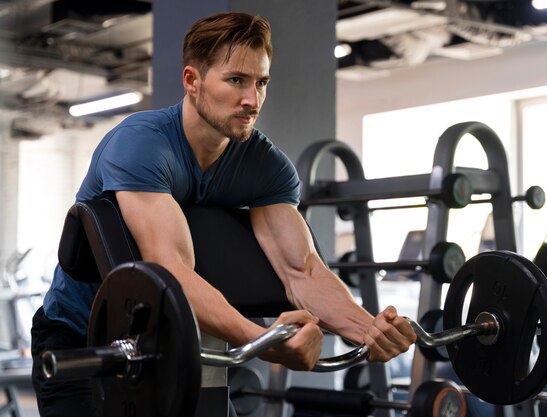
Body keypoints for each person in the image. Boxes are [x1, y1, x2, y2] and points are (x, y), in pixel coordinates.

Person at [30, 11, 417, 417]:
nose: (252, 100)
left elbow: (301, 270)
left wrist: (369, 330)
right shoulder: (140, 145)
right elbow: (171, 269)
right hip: (82, 336)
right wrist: (264, 340)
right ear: (192, 81)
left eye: (261, 82)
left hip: (174, 343)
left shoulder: (266, 166)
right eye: (236, 81)